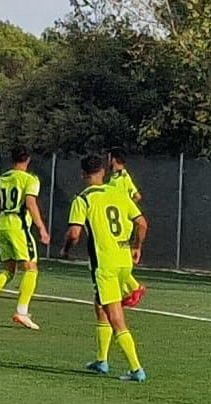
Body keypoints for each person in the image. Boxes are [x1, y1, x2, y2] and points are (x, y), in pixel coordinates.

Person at [61, 153, 148, 382]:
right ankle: (102, 360)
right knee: (100, 305)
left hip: (105, 263)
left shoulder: (83, 199)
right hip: (123, 259)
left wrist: (66, 250)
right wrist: (137, 247)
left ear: (82, 175)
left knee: (115, 317)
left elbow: (74, 233)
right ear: (102, 172)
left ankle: (136, 368)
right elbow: (141, 223)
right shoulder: (118, 193)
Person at [0, 144, 50, 329]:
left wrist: (6, 213)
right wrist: (41, 228)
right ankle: (22, 312)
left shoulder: (2, 178)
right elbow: (31, 203)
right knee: (31, 268)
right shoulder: (30, 179)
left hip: (2, 224)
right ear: (28, 160)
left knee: (9, 270)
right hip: (18, 225)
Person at [108, 148, 148, 308]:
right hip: (118, 223)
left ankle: (133, 288)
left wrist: (126, 208)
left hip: (121, 225)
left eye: (110, 157)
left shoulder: (123, 177)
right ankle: (130, 290)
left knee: (114, 258)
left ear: (114, 160)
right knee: (117, 258)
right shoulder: (116, 177)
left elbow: (137, 196)